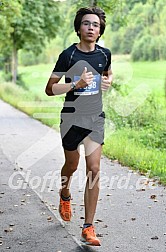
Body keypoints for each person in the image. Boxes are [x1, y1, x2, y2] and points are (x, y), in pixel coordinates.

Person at [45, 6, 112, 246]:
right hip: (72, 119)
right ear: (78, 28)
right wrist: (76, 85)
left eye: (95, 24)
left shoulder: (104, 54)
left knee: (93, 168)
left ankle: (88, 227)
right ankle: (64, 194)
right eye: (86, 23)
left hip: (95, 119)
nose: (91, 27)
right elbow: (50, 88)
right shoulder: (68, 55)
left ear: (100, 30)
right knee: (71, 165)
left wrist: (108, 80)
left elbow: (108, 73)